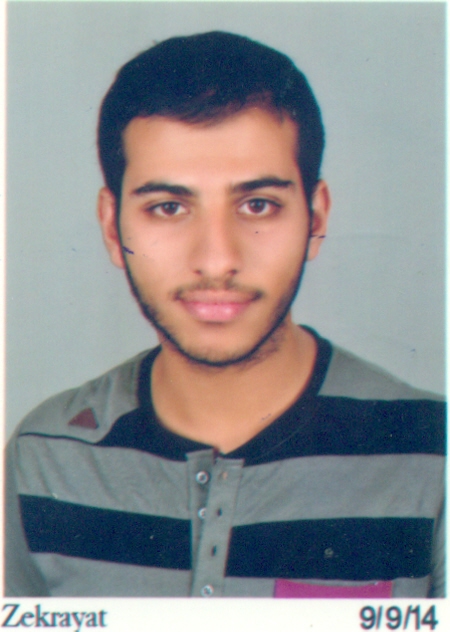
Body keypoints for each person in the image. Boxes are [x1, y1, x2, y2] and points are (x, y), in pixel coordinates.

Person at [5, 31, 445, 598]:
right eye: (169, 207)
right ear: (113, 228)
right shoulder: (45, 457)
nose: (217, 260)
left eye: (257, 205)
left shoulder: (434, 454)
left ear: (315, 219)